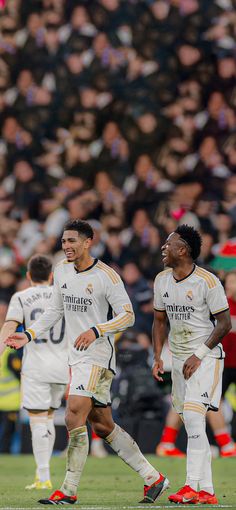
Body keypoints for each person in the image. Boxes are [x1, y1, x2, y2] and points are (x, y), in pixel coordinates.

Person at [5, 219, 169, 505]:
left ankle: (68, 490)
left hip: (98, 356)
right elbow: (55, 310)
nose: (66, 246)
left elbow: (127, 315)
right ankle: (154, 478)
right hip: (76, 357)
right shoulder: (62, 271)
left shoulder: (107, 276)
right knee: (103, 426)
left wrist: (96, 330)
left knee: (73, 414)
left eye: (72, 241)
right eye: (64, 241)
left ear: (88, 242)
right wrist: (28, 334)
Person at [152, 224, 231, 505]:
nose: (164, 248)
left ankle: (189, 486)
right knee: (193, 425)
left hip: (206, 358)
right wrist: (158, 355)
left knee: (195, 419)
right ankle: (207, 491)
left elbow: (224, 323)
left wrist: (198, 353)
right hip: (179, 361)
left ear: (183, 250)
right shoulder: (161, 280)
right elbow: (159, 320)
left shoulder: (207, 282)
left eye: (168, 244)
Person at [0, 255, 69, 489]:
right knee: (48, 417)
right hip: (61, 365)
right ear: (51, 276)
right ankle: (45, 473)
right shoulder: (63, 295)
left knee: (37, 421)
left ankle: (43, 476)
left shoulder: (21, 297)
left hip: (36, 366)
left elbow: (9, 327)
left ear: (28, 276)